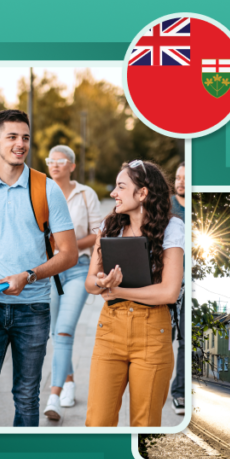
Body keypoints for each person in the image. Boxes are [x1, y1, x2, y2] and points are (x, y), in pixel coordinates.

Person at [0, 109, 78, 427]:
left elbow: (69, 254)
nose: (20, 144)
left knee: (26, 398)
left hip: (33, 309)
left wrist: (29, 276)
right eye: (12, 137)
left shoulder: (47, 189)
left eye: (25, 137)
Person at [84, 160, 184, 427]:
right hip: (110, 330)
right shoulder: (109, 226)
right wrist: (103, 282)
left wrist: (118, 290)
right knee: (97, 423)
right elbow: (90, 283)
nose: (113, 193)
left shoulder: (172, 228)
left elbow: (169, 292)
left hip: (152, 334)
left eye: (120, 186)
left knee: (145, 426)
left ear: (142, 193)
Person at [42, 144, 102, 420]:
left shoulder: (85, 194)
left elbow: (97, 233)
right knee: (55, 332)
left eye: (61, 161)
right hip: (50, 270)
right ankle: (68, 381)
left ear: (72, 166)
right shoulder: (41, 192)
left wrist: (69, 246)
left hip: (78, 269)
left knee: (64, 330)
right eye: (51, 160)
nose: (54, 165)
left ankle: (53, 396)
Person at [170, 160, 186, 415]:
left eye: (186, 177)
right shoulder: (166, 206)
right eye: (177, 177)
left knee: (185, 341)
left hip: (190, 286)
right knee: (165, 338)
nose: (181, 182)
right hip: (168, 282)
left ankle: (179, 391)